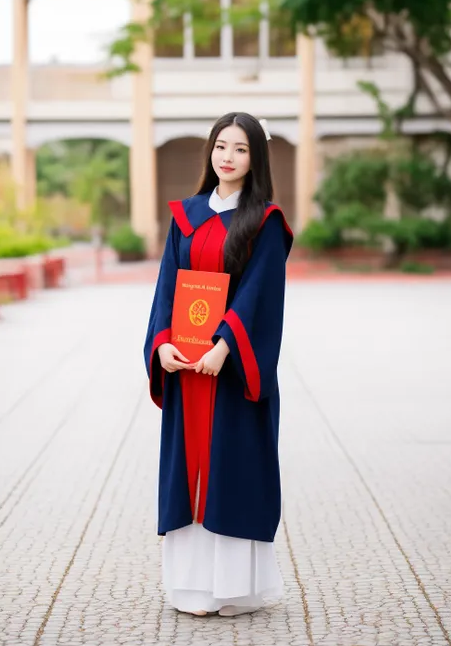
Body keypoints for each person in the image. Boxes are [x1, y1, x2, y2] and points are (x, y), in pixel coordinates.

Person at [143, 111, 293, 617]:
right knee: (187, 474)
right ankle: (190, 588)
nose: (227, 157)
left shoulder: (264, 222)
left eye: (241, 149)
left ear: (256, 158)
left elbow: (260, 297)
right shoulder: (185, 215)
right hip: (187, 370)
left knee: (232, 470)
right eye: (221, 147)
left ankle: (234, 589)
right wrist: (163, 343)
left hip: (229, 376)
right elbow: (167, 285)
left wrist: (224, 348)